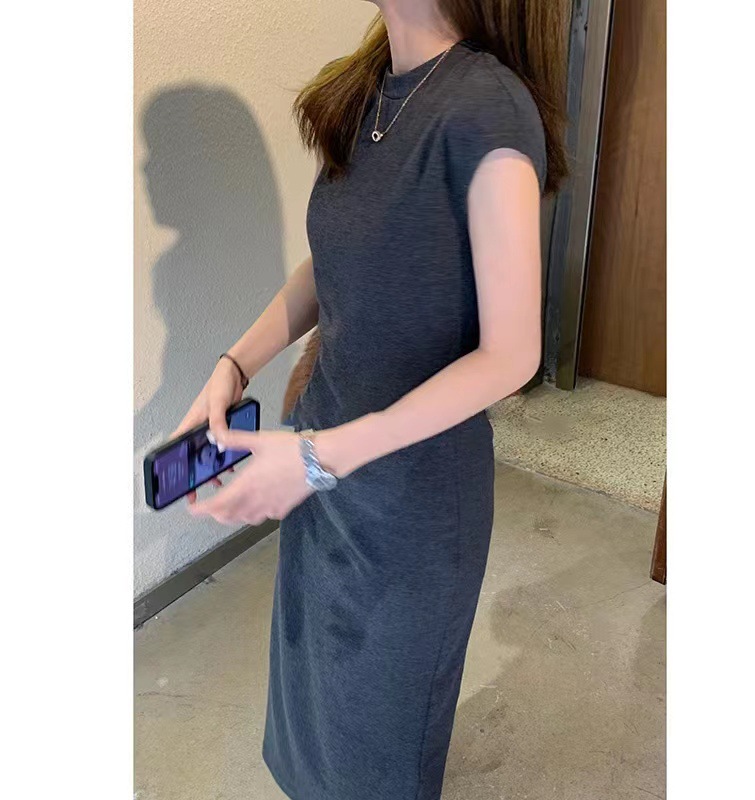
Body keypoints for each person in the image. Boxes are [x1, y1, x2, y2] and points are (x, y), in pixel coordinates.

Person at [171, 1, 568, 797]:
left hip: (410, 505)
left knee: (374, 754)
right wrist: (235, 366)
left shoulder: (485, 108)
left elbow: (512, 353)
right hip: (322, 470)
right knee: (313, 725)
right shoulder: (367, 90)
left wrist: (319, 459)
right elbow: (332, 262)